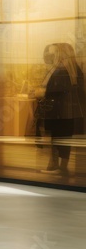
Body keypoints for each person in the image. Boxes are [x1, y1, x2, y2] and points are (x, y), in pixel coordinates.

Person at [39, 43, 85, 179]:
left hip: (58, 112)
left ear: (60, 54)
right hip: (71, 112)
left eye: (54, 53)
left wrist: (41, 92)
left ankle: (55, 166)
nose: (51, 56)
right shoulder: (75, 69)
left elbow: (55, 91)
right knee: (65, 139)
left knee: (56, 138)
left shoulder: (60, 70)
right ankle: (60, 167)